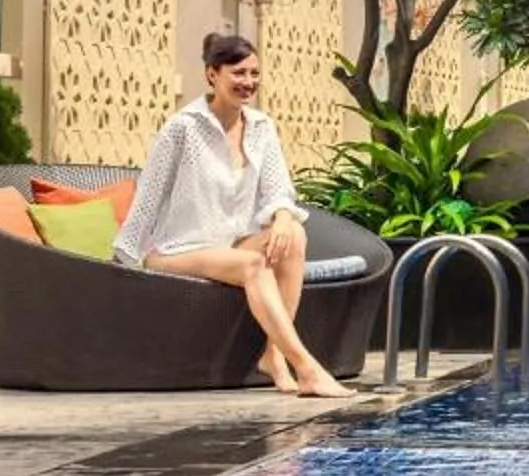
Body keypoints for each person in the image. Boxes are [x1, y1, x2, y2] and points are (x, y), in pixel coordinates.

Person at [116, 30, 356, 400]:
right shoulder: (182, 128)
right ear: (212, 74)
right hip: (176, 249)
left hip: (230, 243)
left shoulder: (261, 127)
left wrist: (283, 216)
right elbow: (149, 195)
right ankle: (308, 369)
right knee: (252, 264)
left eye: (254, 73)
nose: (248, 82)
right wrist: (123, 260)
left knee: (294, 235)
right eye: (239, 73)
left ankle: (273, 356)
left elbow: (279, 189)